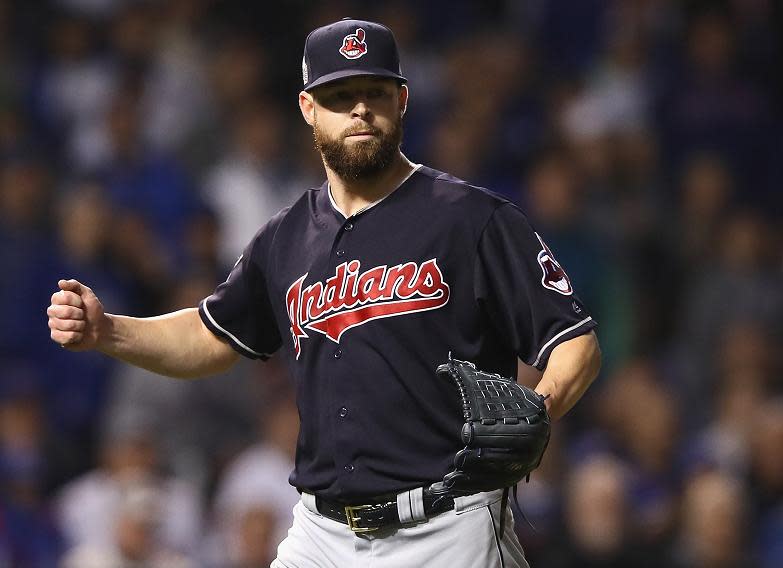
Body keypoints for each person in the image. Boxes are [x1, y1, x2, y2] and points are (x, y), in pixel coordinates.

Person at [47, 18, 601, 568]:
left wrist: (539, 407)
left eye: (374, 92)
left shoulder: (471, 219)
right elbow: (210, 335)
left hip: (447, 527)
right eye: (340, 95)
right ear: (309, 110)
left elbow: (574, 342)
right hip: (322, 534)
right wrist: (109, 331)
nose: (359, 109)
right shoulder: (285, 237)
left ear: (402, 100)